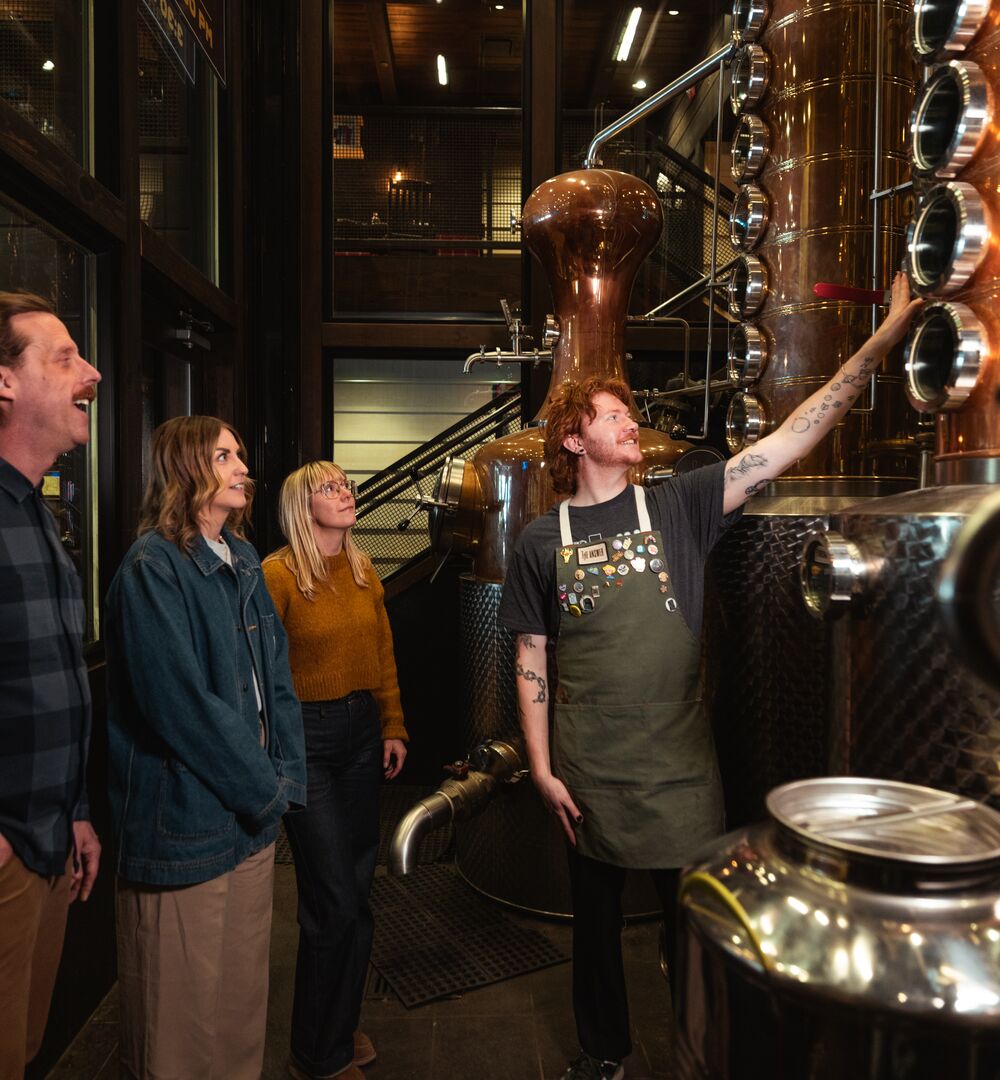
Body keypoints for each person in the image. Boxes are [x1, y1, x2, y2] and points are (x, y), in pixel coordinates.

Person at [499, 273, 924, 1080]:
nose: (632, 423)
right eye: (614, 416)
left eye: (628, 414)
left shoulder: (684, 505)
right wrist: (545, 768)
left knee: (693, 921)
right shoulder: (537, 540)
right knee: (594, 929)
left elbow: (793, 436)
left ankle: (704, 1050)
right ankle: (603, 1055)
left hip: (679, 761)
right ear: (572, 440)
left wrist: (886, 335)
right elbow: (531, 655)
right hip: (590, 762)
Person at [104, 415, 306, 1080]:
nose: (243, 466)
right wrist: (267, 791)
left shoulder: (245, 559)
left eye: (241, 453)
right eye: (225, 455)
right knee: (178, 1032)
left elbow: (277, 682)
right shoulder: (151, 569)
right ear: (187, 467)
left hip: (249, 825)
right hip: (182, 826)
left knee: (239, 1014)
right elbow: (181, 708)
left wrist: (284, 787)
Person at [262, 461, 408, 1080]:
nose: (345, 493)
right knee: (332, 898)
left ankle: (340, 1030)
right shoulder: (277, 575)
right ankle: (315, 1056)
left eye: (346, 484)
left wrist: (392, 723)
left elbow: (383, 652)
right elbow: (262, 671)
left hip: (359, 732)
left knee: (358, 889)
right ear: (302, 504)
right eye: (330, 487)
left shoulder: (361, 566)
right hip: (306, 739)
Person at [0, 291, 102, 1079]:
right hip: (7, 851)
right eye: (64, 357)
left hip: (48, 840)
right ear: (4, 383)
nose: (92, 373)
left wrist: (74, 812)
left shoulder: (36, 513)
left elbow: (50, 680)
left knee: (25, 1053)